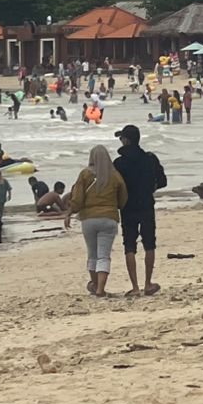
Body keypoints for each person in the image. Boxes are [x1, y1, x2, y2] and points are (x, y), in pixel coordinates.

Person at [65, 145, 127, 296]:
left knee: (92, 254)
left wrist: (69, 212)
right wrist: (114, 206)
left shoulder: (85, 174)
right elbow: (123, 198)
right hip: (109, 218)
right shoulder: (115, 175)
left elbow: (78, 198)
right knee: (104, 256)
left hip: (89, 219)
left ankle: (94, 285)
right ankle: (100, 289)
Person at [113, 124, 167, 296]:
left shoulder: (119, 163)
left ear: (127, 140)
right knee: (149, 243)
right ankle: (148, 283)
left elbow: (115, 186)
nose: (120, 141)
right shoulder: (150, 159)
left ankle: (135, 287)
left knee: (129, 245)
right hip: (146, 205)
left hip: (127, 207)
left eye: (121, 138)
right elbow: (163, 181)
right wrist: (150, 188)